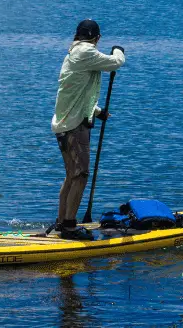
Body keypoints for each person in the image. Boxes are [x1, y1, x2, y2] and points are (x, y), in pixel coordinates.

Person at [51, 19, 125, 240]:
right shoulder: (85, 53)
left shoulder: (73, 54)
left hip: (64, 123)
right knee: (80, 174)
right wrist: (119, 51)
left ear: (77, 35)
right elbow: (115, 62)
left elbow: (77, 95)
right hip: (74, 127)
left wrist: (97, 111)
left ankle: (62, 221)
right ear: (97, 38)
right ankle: (70, 226)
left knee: (71, 175)